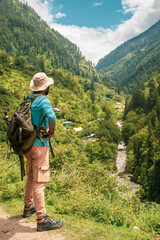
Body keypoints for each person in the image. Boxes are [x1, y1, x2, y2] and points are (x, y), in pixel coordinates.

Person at [23, 72, 63, 231]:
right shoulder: (43, 100)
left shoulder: (28, 99)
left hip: (28, 146)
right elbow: (52, 117)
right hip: (40, 144)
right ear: (46, 87)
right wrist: (51, 132)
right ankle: (42, 219)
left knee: (31, 177)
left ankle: (28, 207)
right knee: (40, 182)